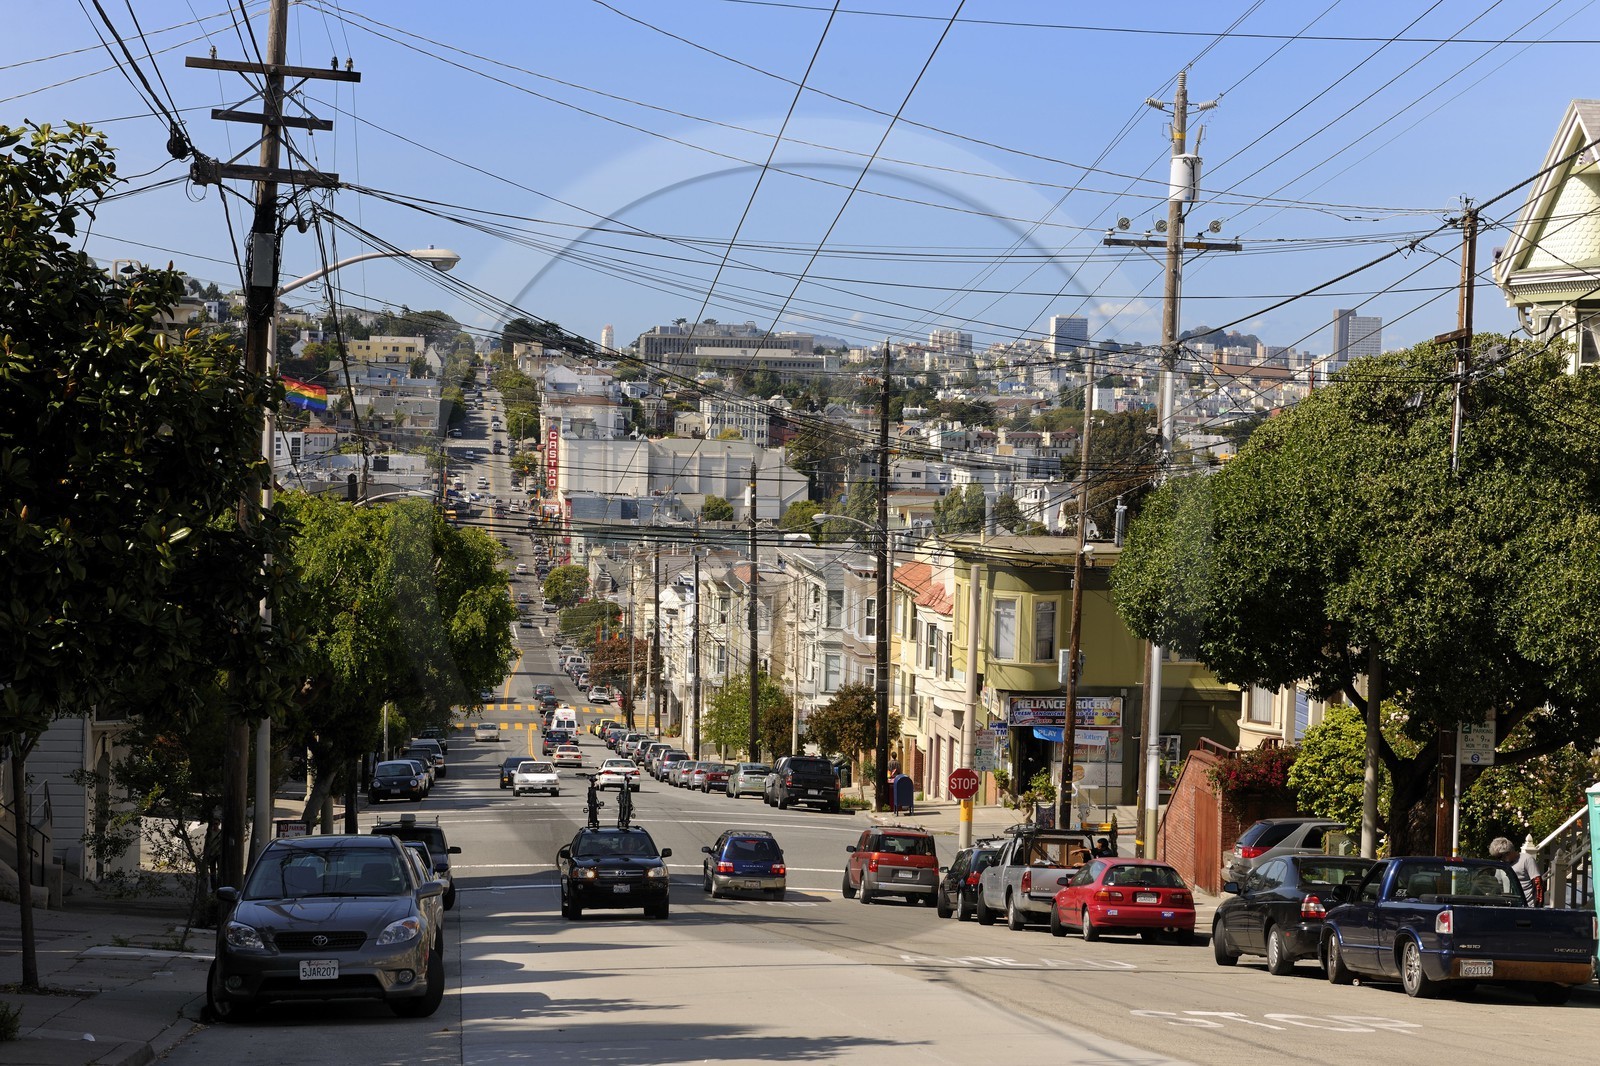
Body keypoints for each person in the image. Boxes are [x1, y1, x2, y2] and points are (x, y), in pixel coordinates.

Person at [1488, 836, 1543, 905]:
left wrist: (1537, 907)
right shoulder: (1502, 865)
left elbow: (1538, 884)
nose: (1501, 860)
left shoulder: (1526, 859)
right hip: (1509, 906)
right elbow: (1498, 886)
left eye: (1501, 856)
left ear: (1508, 852)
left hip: (1528, 905)